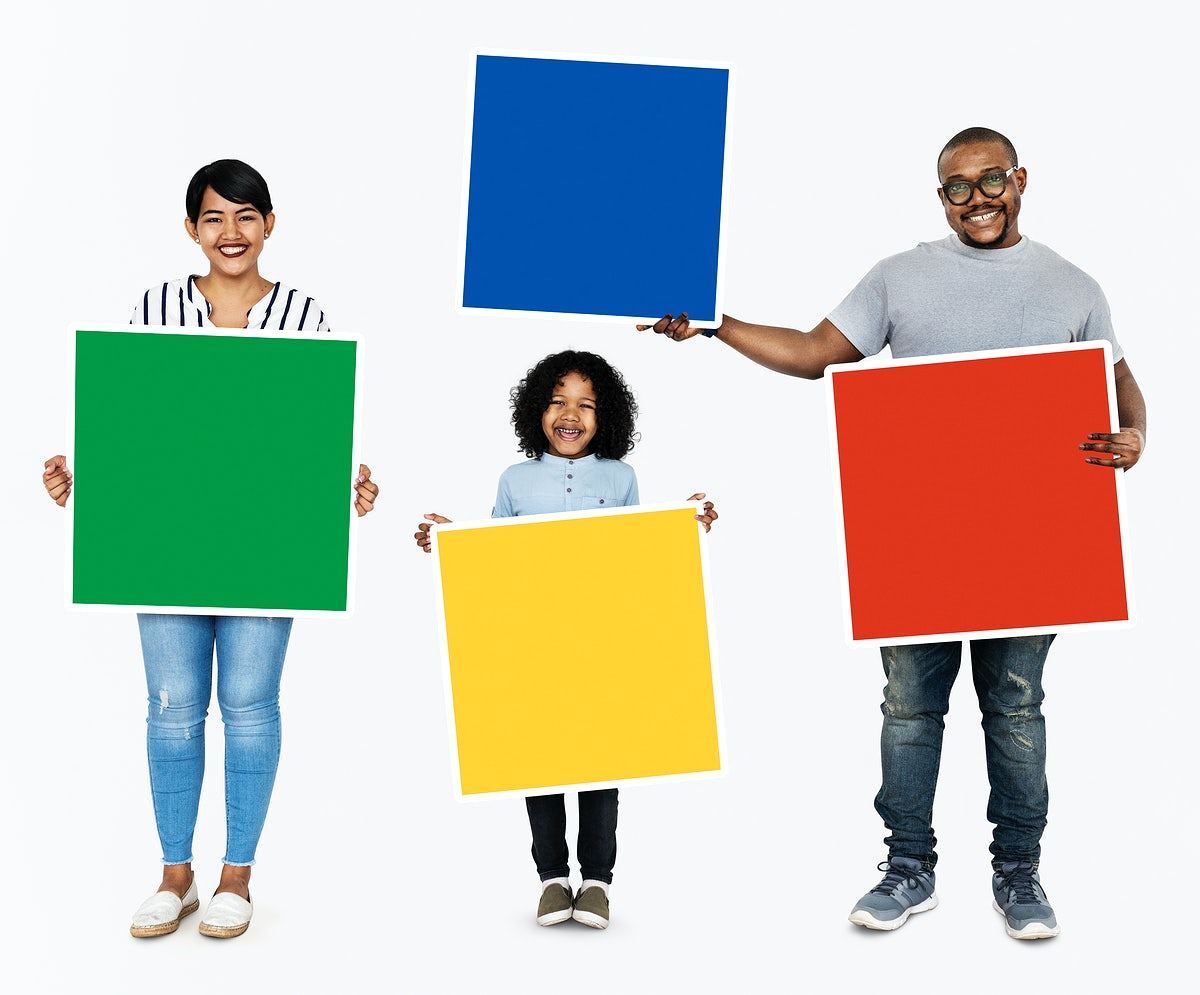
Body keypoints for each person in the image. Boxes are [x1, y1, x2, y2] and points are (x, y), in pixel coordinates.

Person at [639, 127, 1146, 940]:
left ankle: (1019, 870)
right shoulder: (900, 276)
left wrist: (1136, 434)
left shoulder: (1073, 286)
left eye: (991, 181)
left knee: (1015, 706)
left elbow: (1117, 377)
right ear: (938, 195)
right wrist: (713, 324)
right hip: (922, 538)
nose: (976, 199)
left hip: (1033, 541)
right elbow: (813, 355)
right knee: (910, 707)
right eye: (956, 186)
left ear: (1022, 181)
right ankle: (908, 865)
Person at [41, 159, 379, 939]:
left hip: (266, 547)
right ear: (191, 228)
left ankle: (237, 877)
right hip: (167, 542)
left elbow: (313, 438)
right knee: (171, 709)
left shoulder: (304, 315)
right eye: (215, 218)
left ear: (270, 224)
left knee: (251, 708)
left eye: (247, 216)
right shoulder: (154, 306)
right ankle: (174, 875)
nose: (232, 233)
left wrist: (347, 484)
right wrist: (81, 472)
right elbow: (133, 422)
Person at [414, 349, 717, 929]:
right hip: (535, 647)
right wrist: (451, 542)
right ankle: (552, 879)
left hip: (601, 645)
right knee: (540, 763)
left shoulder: (620, 477)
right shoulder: (514, 480)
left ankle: (598, 882)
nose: (570, 414)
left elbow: (636, 552)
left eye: (586, 404)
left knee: (602, 765)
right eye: (558, 401)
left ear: (607, 418)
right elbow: (492, 557)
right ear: (537, 410)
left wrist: (684, 527)